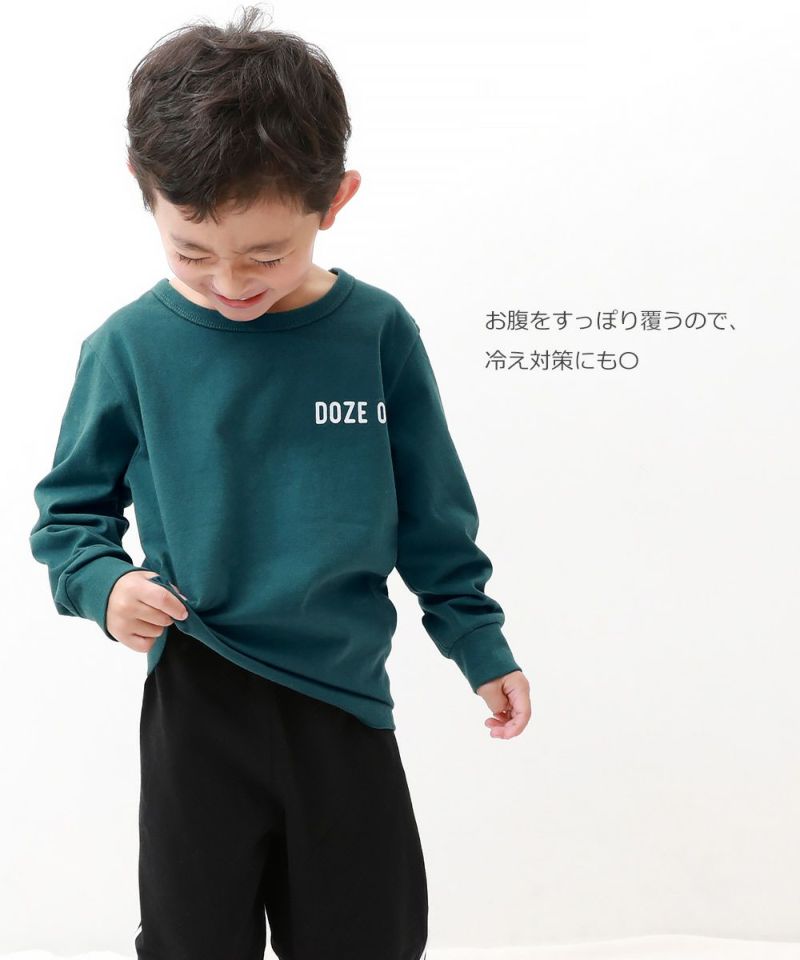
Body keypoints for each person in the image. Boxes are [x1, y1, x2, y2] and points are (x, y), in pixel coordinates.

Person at [29, 7, 532, 959]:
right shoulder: (129, 347)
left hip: (343, 701)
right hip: (198, 691)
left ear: (334, 201)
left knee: (368, 935)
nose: (229, 283)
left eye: (266, 255)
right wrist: (103, 585)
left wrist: (478, 640)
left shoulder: (377, 335)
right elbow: (69, 515)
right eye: (191, 253)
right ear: (144, 192)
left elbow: (432, 513)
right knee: (192, 939)